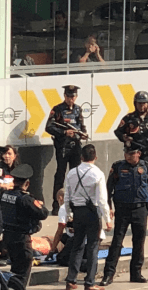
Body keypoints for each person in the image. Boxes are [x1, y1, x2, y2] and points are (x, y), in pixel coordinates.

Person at [100, 142, 148, 287]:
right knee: (117, 242)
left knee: (139, 242)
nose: (128, 156)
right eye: (126, 153)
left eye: (131, 154)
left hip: (141, 209)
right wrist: (109, 207)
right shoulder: (118, 166)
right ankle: (108, 274)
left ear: (138, 154)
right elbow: (108, 189)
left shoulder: (146, 167)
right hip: (122, 209)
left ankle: (136, 273)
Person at [64, 144, 113, 290]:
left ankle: (71, 280)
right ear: (95, 157)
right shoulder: (97, 173)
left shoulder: (72, 173)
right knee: (92, 247)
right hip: (92, 213)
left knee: (77, 245)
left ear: (81, 157)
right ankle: (89, 282)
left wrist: (68, 214)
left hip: (77, 212)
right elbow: (102, 199)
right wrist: (107, 220)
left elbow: (67, 196)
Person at [1, 164, 49, 290]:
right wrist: (38, 204)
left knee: (15, 269)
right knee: (22, 272)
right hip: (21, 238)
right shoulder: (25, 199)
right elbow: (43, 213)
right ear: (27, 183)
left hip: (8, 236)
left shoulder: (5, 195)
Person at [45, 85, 89, 215]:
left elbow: (81, 125)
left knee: (76, 175)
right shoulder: (57, 109)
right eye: (69, 96)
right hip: (63, 146)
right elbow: (49, 127)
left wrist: (83, 133)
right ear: (65, 96)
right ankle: (56, 205)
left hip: (76, 146)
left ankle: (76, 203)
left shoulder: (78, 109)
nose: (71, 99)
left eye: (73, 96)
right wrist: (64, 132)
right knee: (60, 175)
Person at [114, 91, 148, 170]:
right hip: (133, 154)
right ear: (135, 104)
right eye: (139, 103)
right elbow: (118, 131)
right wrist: (124, 138)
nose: (142, 106)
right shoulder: (129, 118)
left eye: (144, 103)